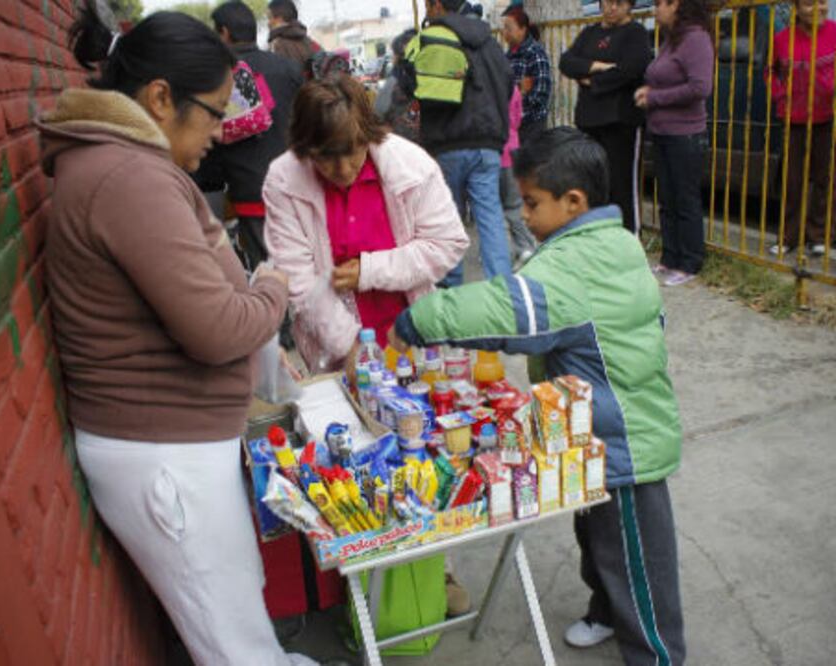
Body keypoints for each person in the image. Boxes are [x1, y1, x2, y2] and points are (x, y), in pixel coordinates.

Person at [40, 5, 326, 665]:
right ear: (161, 98)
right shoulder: (127, 177)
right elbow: (219, 329)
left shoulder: (127, 165)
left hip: (174, 446)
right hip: (164, 458)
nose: (221, 133)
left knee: (235, 608)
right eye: (215, 113)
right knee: (229, 638)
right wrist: (271, 286)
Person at [388, 127, 685, 666]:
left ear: (573, 201)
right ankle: (607, 611)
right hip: (594, 427)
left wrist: (420, 319)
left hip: (625, 440)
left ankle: (656, 654)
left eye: (531, 203)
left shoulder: (573, 264)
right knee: (598, 537)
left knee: (637, 561)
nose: (523, 215)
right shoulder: (615, 240)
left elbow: (504, 310)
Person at [262, 73, 469, 373]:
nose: (343, 169)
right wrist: (350, 348)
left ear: (367, 136)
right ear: (306, 149)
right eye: (325, 158)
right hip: (334, 345)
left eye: (352, 152)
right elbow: (299, 279)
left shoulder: (411, 166)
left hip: (410, 333)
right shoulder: (285, 181)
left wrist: (369, 271)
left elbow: (446, 243)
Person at [419, 0, 514, 287]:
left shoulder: (436, 37)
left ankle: (452, 291)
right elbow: (508, 82)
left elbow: (419, 87)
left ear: (437, 5)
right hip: (488, 142)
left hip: (448, 141)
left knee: (449, 219)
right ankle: (502, 288)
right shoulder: (489, 42)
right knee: (491, 216)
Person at [205, 0, 304, 272]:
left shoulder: (217, 76)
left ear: (224, 32)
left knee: (266, 271)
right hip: (294, 188)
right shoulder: (288, 69)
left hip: (249, 191)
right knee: (301, 265)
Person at [634, 0, 713, 286]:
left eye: (659, 4)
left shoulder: (696, 38)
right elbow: (665, 77)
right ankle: (670, 257)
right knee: (667, 198)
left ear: (676, 5)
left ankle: (689, 262)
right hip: (663, 131)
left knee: (685, 199)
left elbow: (700, 87)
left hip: (685, 134)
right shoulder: (672, 39)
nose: (655, 10)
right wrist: (650, 90)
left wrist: (654, 98)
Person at [559, 0, 652, 235]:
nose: (611, 8)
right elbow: (567, 62)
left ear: (629, 6)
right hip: (588, 120)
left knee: (621, 187)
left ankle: (628, 237)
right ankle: (596, 236)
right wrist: (598, 66)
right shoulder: (590, 33)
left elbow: (631, 69)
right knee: (592, 186)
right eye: (607, 2)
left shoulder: (635, 33)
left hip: (620, 121)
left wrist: (592, 81)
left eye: (618, 3)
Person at [766, 0, 836, 257]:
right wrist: (780, 94)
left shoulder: (835, 31)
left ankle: (819, 236)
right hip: (793, 119)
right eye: (808, 4)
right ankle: (788, 236)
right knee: (792, 181)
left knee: (825, 179)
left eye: (822, 2)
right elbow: (770, 71)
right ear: (796, 9)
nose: (818, 8)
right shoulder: (782, 39)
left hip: (827, 118)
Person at [501, 4, 552, 142]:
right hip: (511, 124)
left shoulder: (536, 54)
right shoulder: (508, 55)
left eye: (509, 28)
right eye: (504, 28)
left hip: (531, 126)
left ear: (522, 29)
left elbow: (540, 95)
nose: (504, 32)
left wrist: (516, 103)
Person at [500, 85, 537, 267]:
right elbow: (516, 120)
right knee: (514, 205)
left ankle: (499, 251)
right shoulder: (512, 87)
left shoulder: (479, 84)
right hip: (511, 150)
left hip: (488, 152)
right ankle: (525, 247)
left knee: (491, 209)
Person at [374, 28, 421, 143]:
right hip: (434, 143)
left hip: (404, 142)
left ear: (398, 56)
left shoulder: (394, 81)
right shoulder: (434, 77)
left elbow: (378, 113)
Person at [267, 0, 321, 73]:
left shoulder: (276, 45)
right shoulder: (309, 42)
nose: (268, 23)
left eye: (269, 18)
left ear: (279, 19)